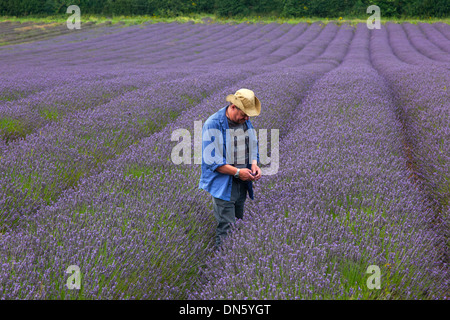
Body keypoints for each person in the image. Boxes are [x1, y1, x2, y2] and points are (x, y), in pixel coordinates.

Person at [199, 88, 262, 250]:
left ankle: (235, 260)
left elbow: (253, 144)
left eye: (249, 115)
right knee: (226, 228)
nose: (247, 118)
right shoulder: (213, 124)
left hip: (242, 183)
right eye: (244, 114)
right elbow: (213, 162)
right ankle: (222, 266)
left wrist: (254, 163)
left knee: (238, 224)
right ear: (233, 107)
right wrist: (237, 172)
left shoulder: (244, 121)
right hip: (224, 184)